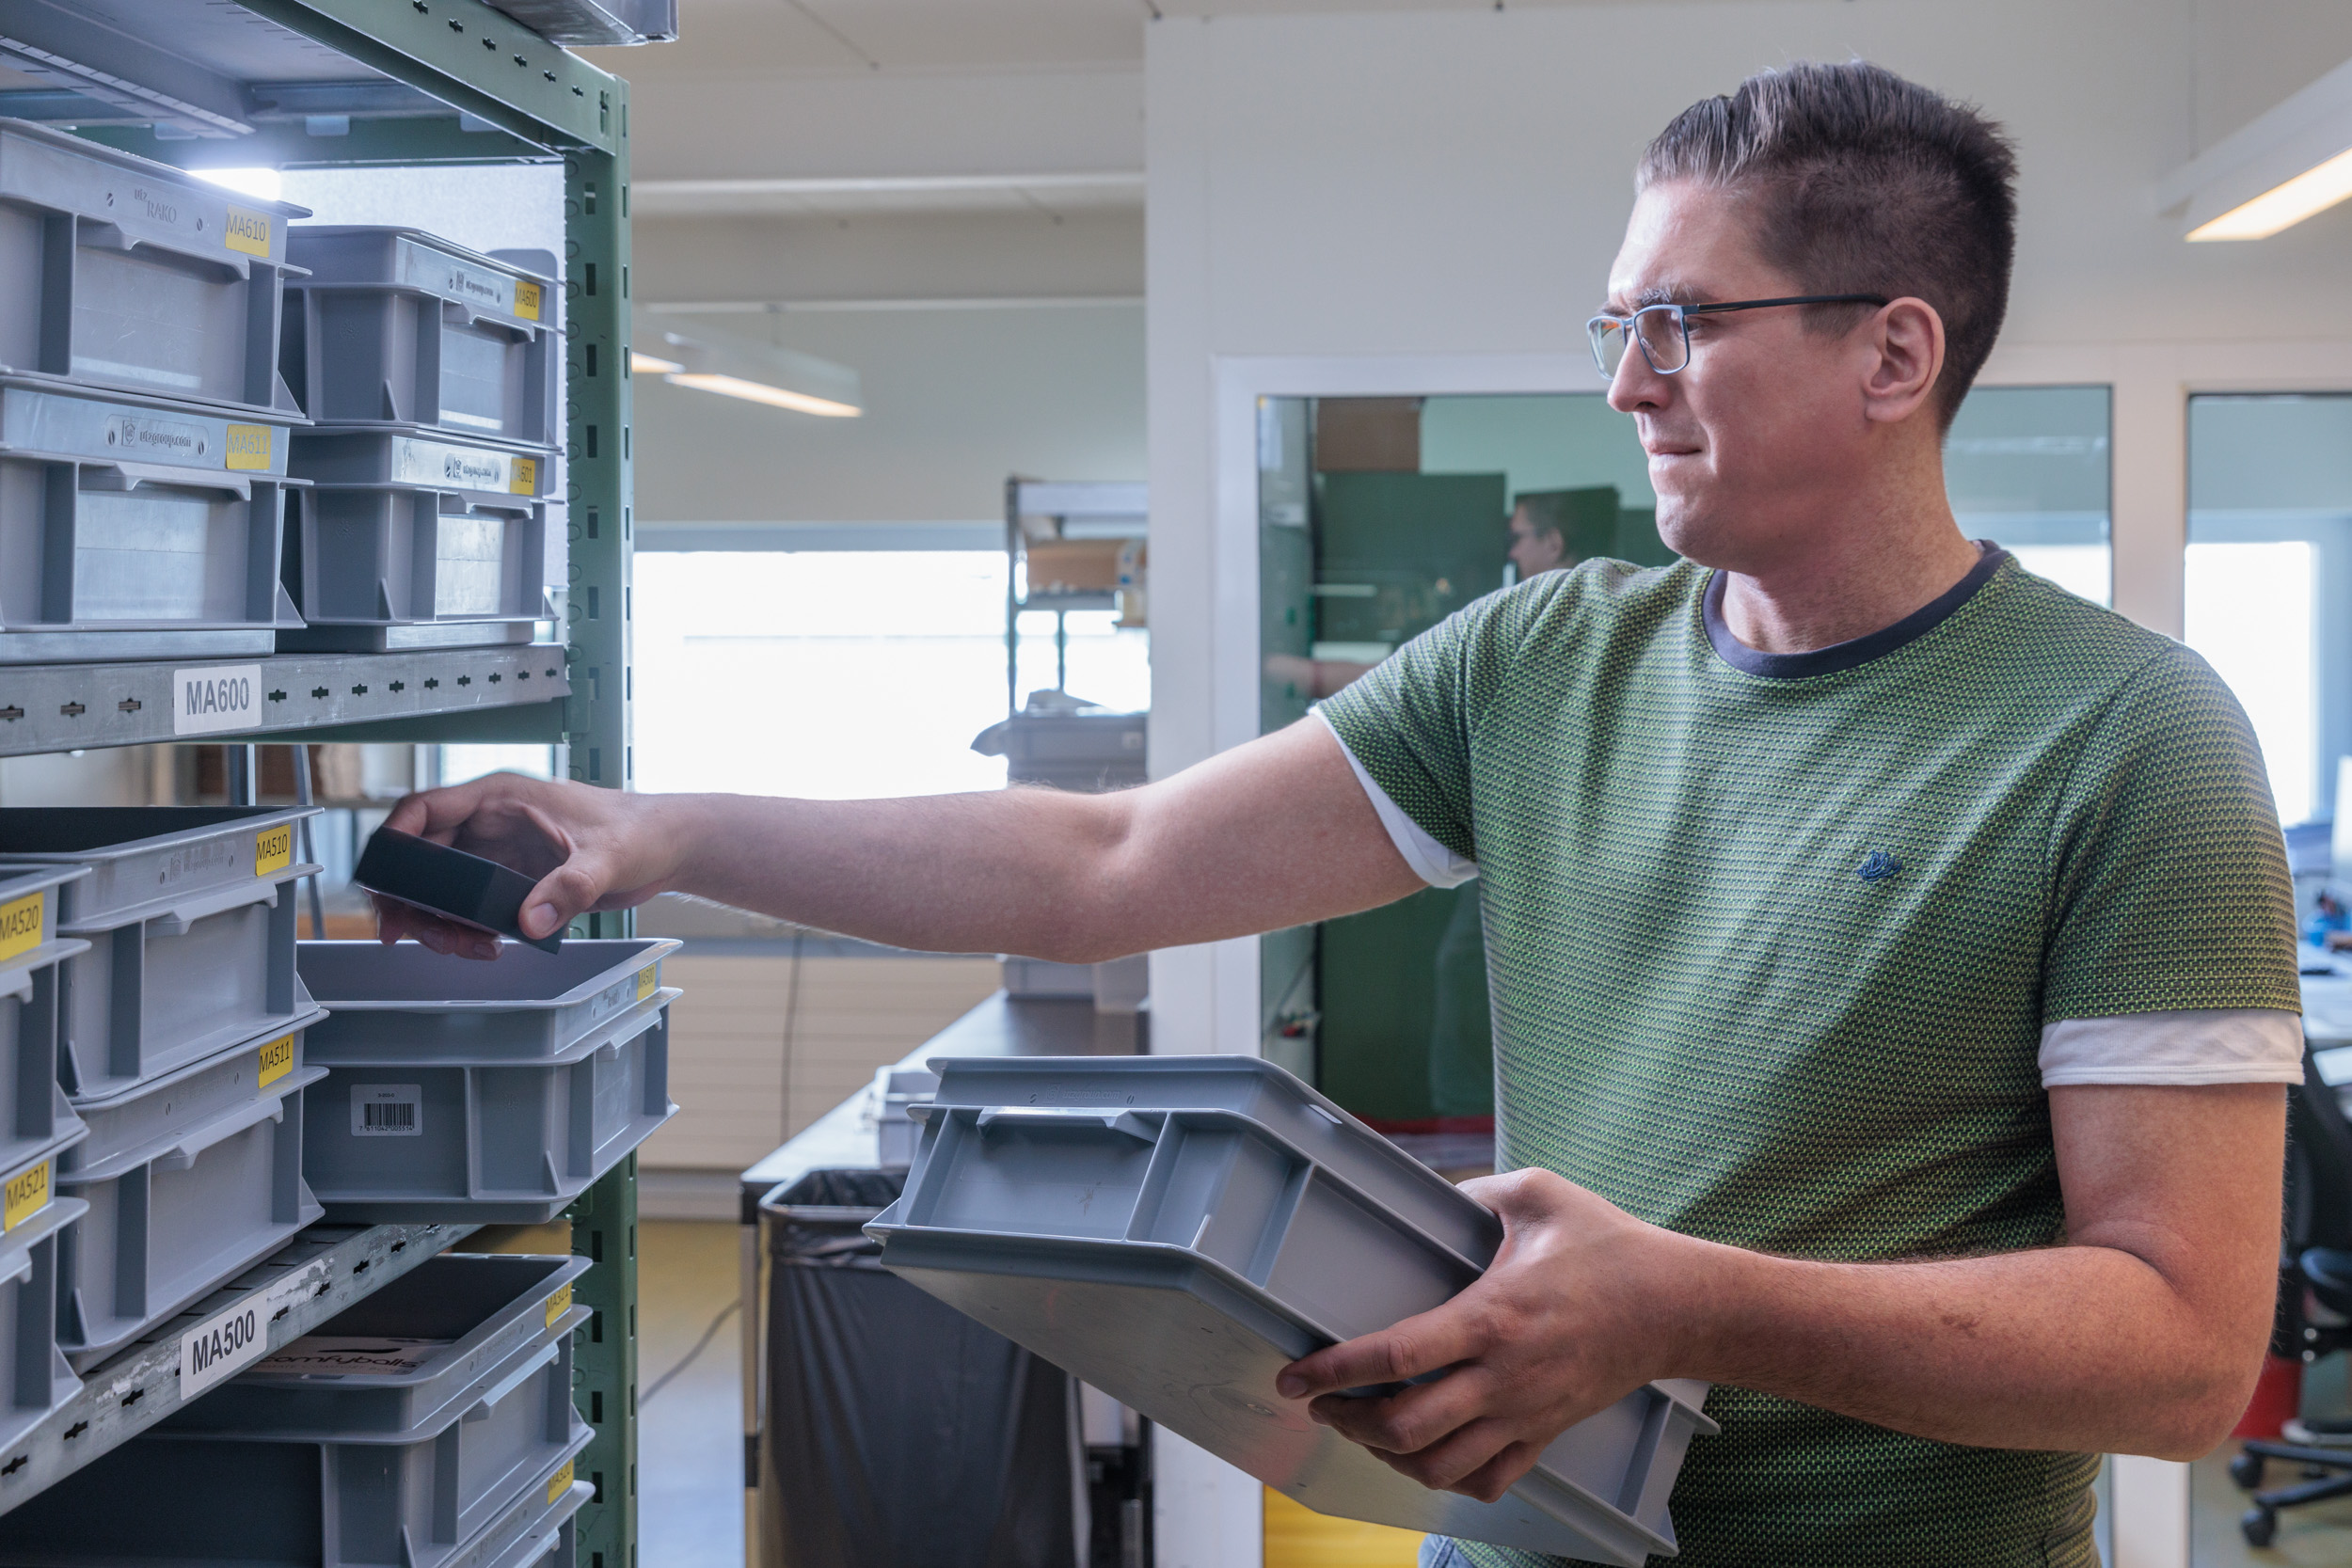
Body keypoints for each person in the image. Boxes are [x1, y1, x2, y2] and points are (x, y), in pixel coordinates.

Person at [379, 61, 2299, 1568]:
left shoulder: (2119, 738)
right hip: (1518, 1530)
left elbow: (2179, 1350)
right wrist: (667, 831)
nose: (1625, 384)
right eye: (1613, 325)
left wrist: (1680, 1306)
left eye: (1684, 324)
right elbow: (1104, 861)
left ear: (1892, 350)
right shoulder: (1543, 661)